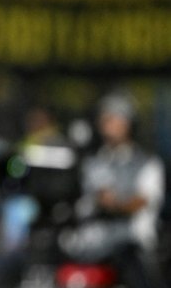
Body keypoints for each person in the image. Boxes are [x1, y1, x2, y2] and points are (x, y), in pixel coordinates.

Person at [60, 90, 166, 288]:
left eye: (114, 119)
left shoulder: (147, 164)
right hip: (91, 245)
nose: (108, 126)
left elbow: (143, 201)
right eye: (105, 119)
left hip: (130, 249)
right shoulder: (92, 162)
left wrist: (116, 204)